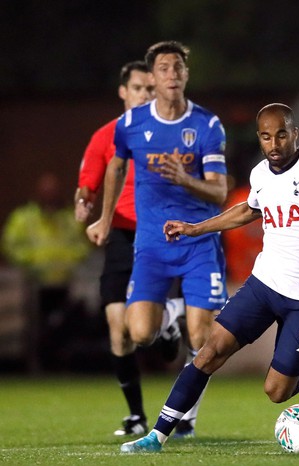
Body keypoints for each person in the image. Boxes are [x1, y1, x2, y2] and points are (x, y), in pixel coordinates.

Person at [119, 102, 299, 453]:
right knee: (209, 353)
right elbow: (247, 210)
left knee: (276, 392)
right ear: (260, 138)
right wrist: (196, 228)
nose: (275, 143)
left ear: (294, 133)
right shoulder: (260, 174)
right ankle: (157, 436)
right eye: (267, 137)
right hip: (264, 285)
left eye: (282, 134)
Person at [86, 41, 229, 439]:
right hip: (150, 246)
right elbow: (115, 168)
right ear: (153, 76)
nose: (171, 75)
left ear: (185, 74)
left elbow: (219, 192)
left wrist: (184, 179)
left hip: (199, 243)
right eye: (163, 68)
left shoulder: (206, 125)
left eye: (177, 67)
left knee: (203, 339)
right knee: (139, 333)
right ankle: (169, 319)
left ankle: (186, 416)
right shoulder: (131, 125)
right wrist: (104, 218)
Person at [75, 60, 187, 437]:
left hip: (156, 235)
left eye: (150, 89)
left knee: (143, 332)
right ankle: (137, 414)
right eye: (138, 88)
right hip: (122, 237)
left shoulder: (168, 133)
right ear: (123, 91)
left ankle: (167, 322)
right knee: (118, 330)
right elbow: (88, 181)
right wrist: (83, 203)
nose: (144, 94)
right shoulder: (104, 136)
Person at [2, 172, 91, 371]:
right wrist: (31, 261)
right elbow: (10, 245)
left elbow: (83, 246)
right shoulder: (24, 218)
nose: (50, 196)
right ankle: (35, 365)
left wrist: (66, 261)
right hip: (35, 284)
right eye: (46, 192)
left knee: (66, 327)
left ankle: (64, 365)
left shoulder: (70, 218)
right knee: (35, 328)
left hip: (65, 284)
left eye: (53, 192)